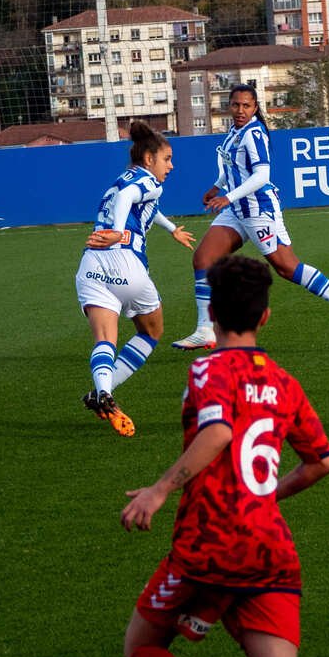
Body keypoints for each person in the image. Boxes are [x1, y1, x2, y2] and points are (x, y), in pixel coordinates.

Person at [121, 254, 329, 657]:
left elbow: (218, 432)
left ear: (213, 312)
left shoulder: (208, 369)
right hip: (269, 547)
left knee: (142, 649)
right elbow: (322, 462)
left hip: (209, 541)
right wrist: (265, 495)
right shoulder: (283, 382)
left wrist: (159, 490)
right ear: (265, 316)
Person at [171, 84, 329, 350]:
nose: (240, 110)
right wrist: (217, 186)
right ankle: (205, 330)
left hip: (258, 209)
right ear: (229, 106)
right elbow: (234, 167)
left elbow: (262, 175)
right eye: (235, 104)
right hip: (238, 209)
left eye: (246, 105)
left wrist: (227, 197)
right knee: (203, 259)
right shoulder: (235, 132)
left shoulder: (254, 134)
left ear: (255, 108)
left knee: (287, 267)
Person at [76, 120, 195, 437]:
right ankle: (104, 390)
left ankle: (103, 392)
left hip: (91, 265)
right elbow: (132, 196)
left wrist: (172, 229)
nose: (171, 166)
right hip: (125, 262)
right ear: (149, 158)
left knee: (105, 339)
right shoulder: (147, 181)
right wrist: (118, 232)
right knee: (152, 331)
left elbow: (142, 204)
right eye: (167, 159)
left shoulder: (119, 181)